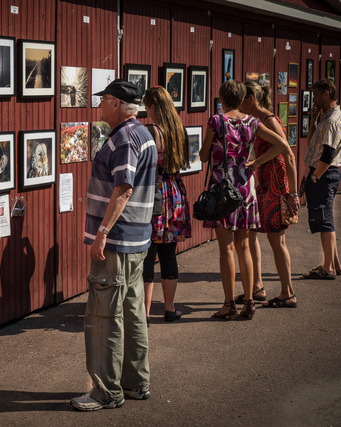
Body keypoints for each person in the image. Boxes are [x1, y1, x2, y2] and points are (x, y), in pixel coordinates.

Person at [71, 79, 157, 411]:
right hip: (137, 240)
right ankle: (135, 382)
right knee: (133, 311)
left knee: (105, 315)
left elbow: (123, 189)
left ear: (118, 104)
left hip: (118, 242)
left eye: (104, 99)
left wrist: (102, 233)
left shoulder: (124, 138)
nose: (99, 105)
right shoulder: (143, 134)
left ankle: (105, 391)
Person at [199, 80, 290, 320]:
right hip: (245, 186)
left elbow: (203, 154)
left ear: (221, 98)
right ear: (241, 98)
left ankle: (229, 304)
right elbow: (281, 143)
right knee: (245, 246)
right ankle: (249, 301)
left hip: (222, 188)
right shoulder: (252, 122)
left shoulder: (217, 121)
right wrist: (256, 162)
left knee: (226, 247)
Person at [238, 80, 299, 308]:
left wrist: (292, 194)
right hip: (264, 183)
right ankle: (257, 286)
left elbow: (286, 152)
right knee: (252, 233)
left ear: (250, 99)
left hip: (275, 183)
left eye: (241, 99)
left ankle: (288, 292)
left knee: (276, 240)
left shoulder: (269, 120)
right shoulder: (258, 120)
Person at [141, 86, 192, 322]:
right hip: (175, 192)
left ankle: (144, 313)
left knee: (148, 254)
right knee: (169, 254)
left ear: (152, 106)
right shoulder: (178, 128)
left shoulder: (152, 130)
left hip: (155, 193)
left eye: (146, 107)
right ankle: (170, 308)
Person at [302, 79, 341, 279]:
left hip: (324, 174)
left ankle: (327, 267)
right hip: (324, 173)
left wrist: (315, 177)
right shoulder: (326, 117)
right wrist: (313, 119)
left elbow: (328, 155)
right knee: (326, 216)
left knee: (324, 220)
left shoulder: (332, 120)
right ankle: (335, 263)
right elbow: (312, 140)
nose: (314, 99)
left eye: (317, 95)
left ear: (327, 93)